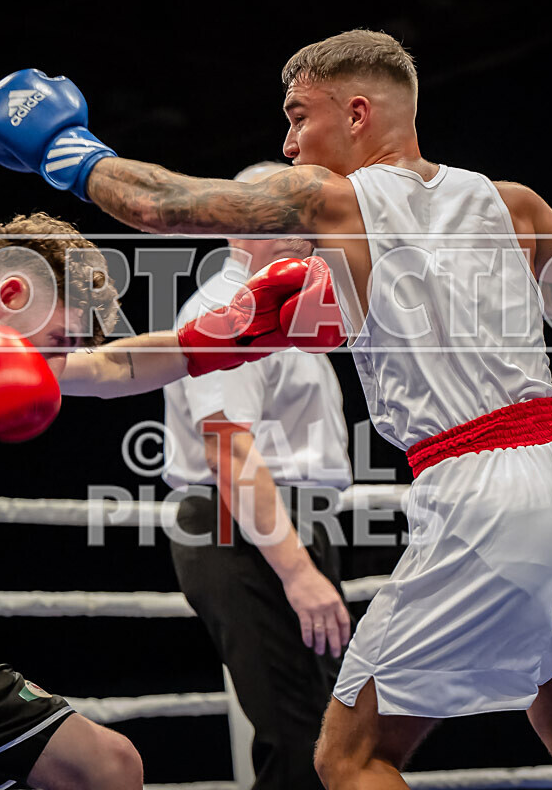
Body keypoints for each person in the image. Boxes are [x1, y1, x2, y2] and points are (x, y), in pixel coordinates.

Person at [0, 31, 552, 790]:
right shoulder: (508, 203)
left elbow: (160, 204)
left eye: (298, 117)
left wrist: (67, 149)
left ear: (356, 113)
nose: (291, 145)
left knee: (349, 758)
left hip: (483, 488)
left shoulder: (332, 202)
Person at [0, 211, 338, 790]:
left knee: (109, 767)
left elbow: (117, 365)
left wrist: (247, 331)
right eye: (60, 341)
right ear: (12, 294)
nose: (59, 365)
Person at [163, 160, 352, 790]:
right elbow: (229, 450)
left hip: (276, 524)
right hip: (243, 526)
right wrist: (298, 572)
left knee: (325, 732)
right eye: (290, 210)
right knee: (299, 736)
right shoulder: (227, 307)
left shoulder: (285, 309)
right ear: (241, 221)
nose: (307, 225)